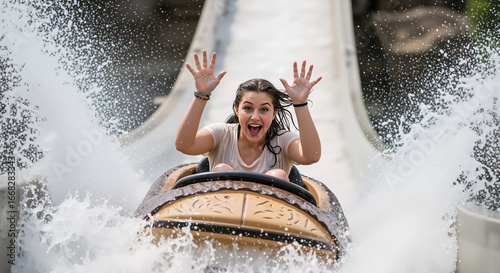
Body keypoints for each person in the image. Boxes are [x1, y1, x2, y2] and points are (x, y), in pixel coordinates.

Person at [175, 50, 322, 182]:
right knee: (222, 169)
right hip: (220, 210)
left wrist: (300, 104)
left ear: (274, 114)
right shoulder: (222, 134)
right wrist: (201, 95)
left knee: (277, 175)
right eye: (248, 108)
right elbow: (184, 145)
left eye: (264, 110)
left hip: (271, 211)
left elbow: (312, 156)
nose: (255, 117)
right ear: (237, 110)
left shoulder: (282, 140)